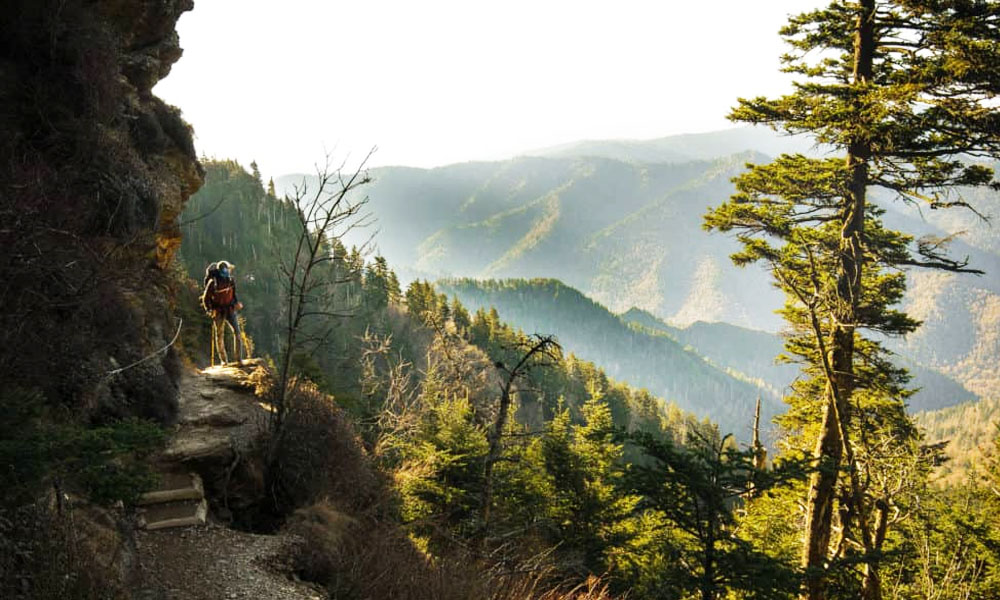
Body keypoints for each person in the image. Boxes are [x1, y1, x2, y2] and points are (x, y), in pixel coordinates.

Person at [201, 260, 245, 364]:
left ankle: (239, 359)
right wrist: (209, 310)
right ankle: (224, 360)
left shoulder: (231, 280)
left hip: (230, 309)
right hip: (218, 311)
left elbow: (233, 295)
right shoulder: (213, 283)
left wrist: (236, 303)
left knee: (237, 333)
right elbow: (205, 298)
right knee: (220, 335)